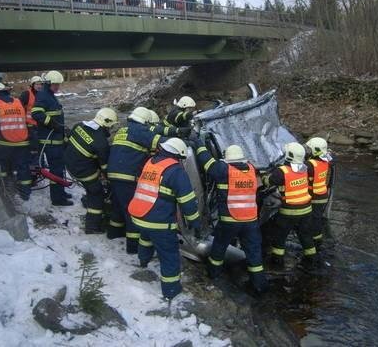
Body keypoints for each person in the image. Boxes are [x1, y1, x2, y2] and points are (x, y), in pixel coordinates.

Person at [191, 139, 268, 293]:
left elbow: (207, 163)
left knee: (219, 249)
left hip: (229, 221)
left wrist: (198, 144)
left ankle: (213, 275)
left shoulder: (224, 170)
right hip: (250, 221)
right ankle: (259, 285)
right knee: (254, 253)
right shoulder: (251, 169)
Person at [128, 138, 200, 300]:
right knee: (169, 255)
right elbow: (187, 201)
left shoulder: (151, 162)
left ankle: (143, 261)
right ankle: (171, 289)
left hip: (139, 215)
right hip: (158, 222)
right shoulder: (176, 171)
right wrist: (195, 222)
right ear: (177, 156)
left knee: (145, 238)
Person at [106, 107, 166, 254]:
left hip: (113, 174)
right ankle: (133, 247)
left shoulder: (123, 130)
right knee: (132, 210)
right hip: (127, 177)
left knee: (118, 206)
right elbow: (160, 143)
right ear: (146, 122)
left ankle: (114, 233)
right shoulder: (140, 132)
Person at [262, 142, 316, 269]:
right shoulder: (305, 168)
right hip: (306, 210)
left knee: (280, 236)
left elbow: (269, 181)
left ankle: (277, 262)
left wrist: (265, 176)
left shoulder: (282, 171)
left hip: (289, 212)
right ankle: (312, 260)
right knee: (306, 236)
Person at [65, 108, 118, 234]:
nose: (110, 130)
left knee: (92, 188)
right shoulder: (101, 142)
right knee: (96, 193)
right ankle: (92, 227)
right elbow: (105, 167)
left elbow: (67, 142)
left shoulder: (79, 126)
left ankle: (88, 199)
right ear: (106, 124)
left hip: (69, 163)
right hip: (83, 171)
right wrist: (111, 181)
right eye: (110, 127)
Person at [31, 70, 72, 206]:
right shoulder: (43, 95)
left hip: (56, 139)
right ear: (48, 84)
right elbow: (36, 114)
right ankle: (57, 199)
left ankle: (60, 192)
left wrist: (62, 130)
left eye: (58, 85)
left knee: (59, 168)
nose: (57, 87)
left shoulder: (50, 95)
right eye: (55, 85)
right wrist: (53, 124)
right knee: (56, 170)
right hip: (50, 141)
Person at [0, 83, 31, 201]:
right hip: (23, 142)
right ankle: (25, 193)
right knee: (23, 167)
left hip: (4, 144)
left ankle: (3, 187)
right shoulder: (18, 102)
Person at [305, 137, 334, 249]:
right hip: (322, 194)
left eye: (309, 149)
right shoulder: (326, 160)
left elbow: (297, 170)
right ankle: (317, 240)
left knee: (313, 219)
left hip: (314, 196)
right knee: (316, 219)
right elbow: (331, 158)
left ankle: (315, 242)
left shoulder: (310, 164)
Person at [19, 76, 42, 164]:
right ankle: (34, 165)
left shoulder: (43, 94)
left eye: (40, 84)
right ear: (32, 85)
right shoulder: (26, 94)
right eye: (37, 84)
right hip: (30, 126)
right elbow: (19, 108)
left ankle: (41, 164)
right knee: (34, 148)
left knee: (40, 147)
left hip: (41, 125)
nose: (39, 86)